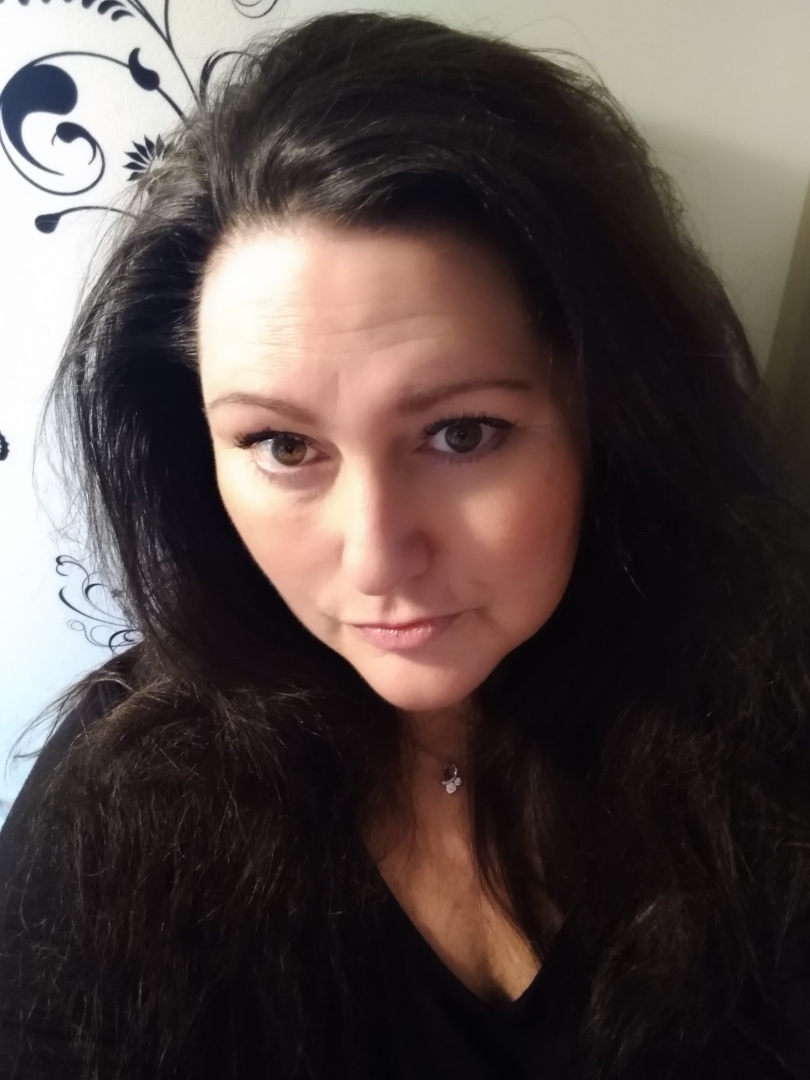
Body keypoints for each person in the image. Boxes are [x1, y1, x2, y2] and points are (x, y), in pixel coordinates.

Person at [1, 9, 809, 1079]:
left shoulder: (769, 733)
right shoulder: (120, 797)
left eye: (461, 433)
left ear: (612, 417)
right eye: (284, 445)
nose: (376, 556)